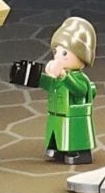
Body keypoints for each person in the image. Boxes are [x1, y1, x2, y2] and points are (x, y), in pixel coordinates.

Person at [36, 17, 99, 164]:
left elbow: (80, 90)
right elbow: (50, 85)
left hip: (75, 116)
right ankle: (57, 149)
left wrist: (64, 76)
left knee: (75, 135)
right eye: (56, 52)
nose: (58, 57)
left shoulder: (79, 78)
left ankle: (80, 153)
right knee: (57, 133)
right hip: (57, 113)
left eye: (64, 53)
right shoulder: (59, 76)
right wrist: (35, 78)